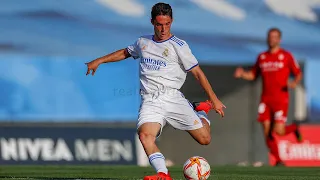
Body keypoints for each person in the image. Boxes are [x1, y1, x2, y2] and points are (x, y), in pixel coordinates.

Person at [85, 2, 225, 180]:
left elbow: (197, 73)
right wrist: (98, 61)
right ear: (152, 22)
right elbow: (125, 53)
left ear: (171, 21)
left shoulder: (179, 46)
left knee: (205, 139)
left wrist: (214, 99)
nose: (163, 29)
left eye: (167, 24)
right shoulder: (143, 42)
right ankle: (163, 174)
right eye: (159, 24)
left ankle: (202, 110)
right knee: (145, 135)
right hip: (150, 100)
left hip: (173, 98)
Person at [234, 28, 303, 166]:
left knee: (279, 131)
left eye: (275, 37)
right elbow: (253, 75)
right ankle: (278, 160)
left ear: (279, 39)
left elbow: (298, 73)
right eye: (270, 37)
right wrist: (242, 74)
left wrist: (294, 82)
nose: (272, 39)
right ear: (267, 39)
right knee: (267, 132)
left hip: (280, 99)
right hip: (265, 99)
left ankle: (294, 128)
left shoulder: (286, 56)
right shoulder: (262, 57)